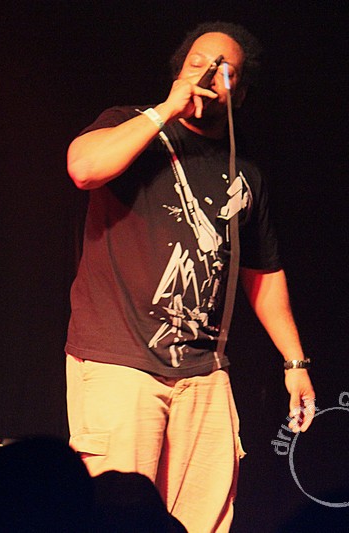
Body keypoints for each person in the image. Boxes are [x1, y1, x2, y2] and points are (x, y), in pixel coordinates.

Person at [64, 21, 316, 532]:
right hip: (121, 363)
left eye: (224, 70)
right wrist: (164, 111)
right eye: (197, 62)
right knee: (116, 517)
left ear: (239, 94)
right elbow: (84, 168)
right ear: (179, 71)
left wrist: (295, 362)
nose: (207, 72)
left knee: (205, 521)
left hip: (203, 372)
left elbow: (263, 276)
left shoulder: (245, 171)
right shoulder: (130, 123)